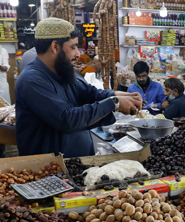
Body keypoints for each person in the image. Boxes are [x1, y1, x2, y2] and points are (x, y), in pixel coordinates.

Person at [15, 18, 142, 158]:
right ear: (55, 47)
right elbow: (66, 119)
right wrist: (115, 103)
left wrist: (119, 94)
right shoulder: (32, 80)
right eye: (73, 47)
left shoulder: (63, 70)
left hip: (76, 161)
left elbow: (90, 93)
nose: (78, 54)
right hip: (49, 169)